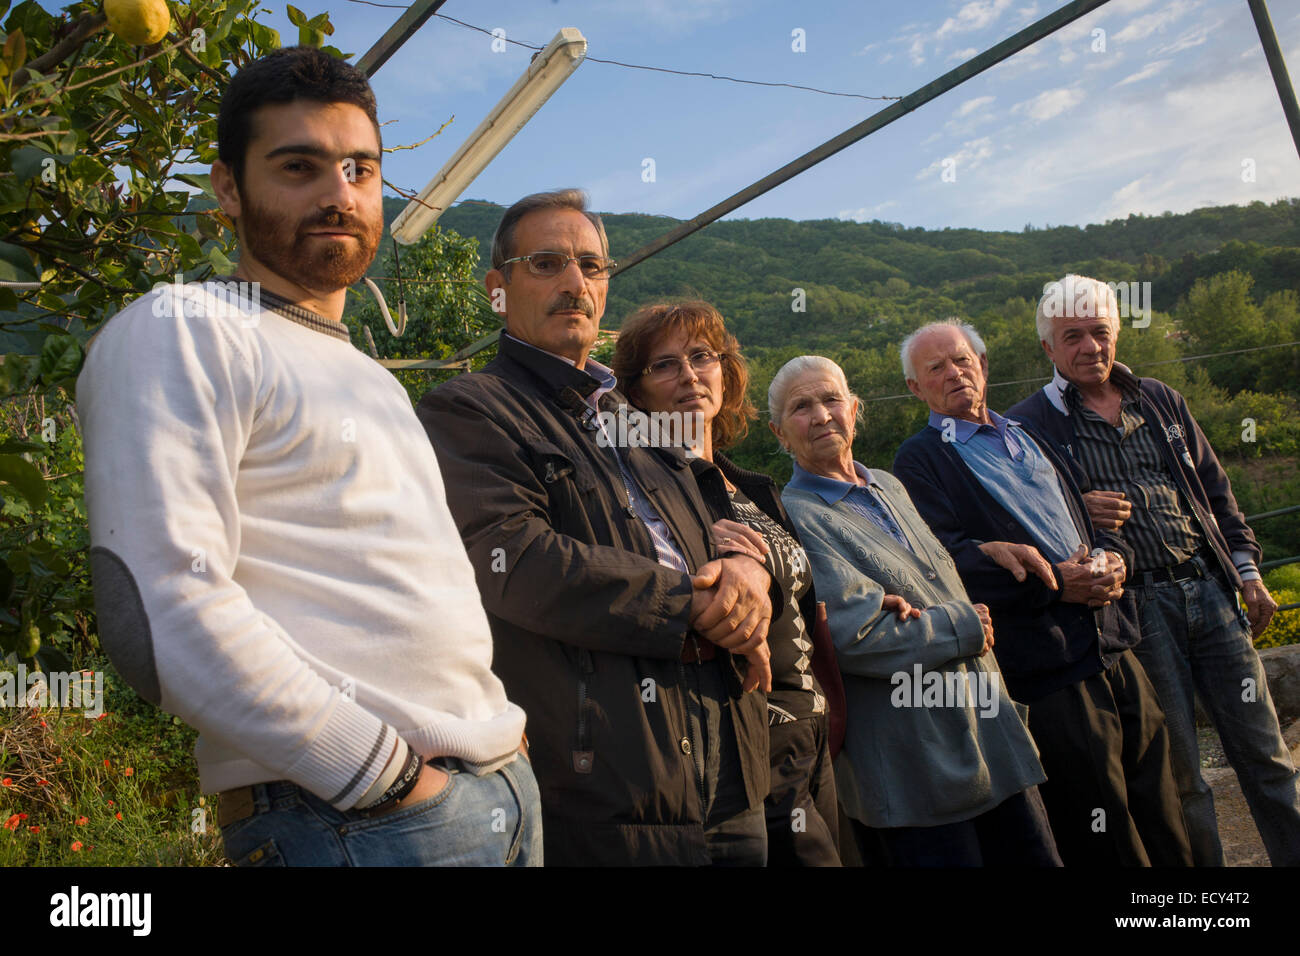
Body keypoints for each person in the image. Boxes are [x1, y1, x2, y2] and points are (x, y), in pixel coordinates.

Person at [76, 47, 539, 866]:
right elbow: (156, 608)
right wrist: (386, 777)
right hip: (354, 817)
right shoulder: (184, 328)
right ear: (228, 189)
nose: (339, 194)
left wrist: (496, 742)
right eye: (299, 167)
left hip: (495, 794)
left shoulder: (369, 376)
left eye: (362, 169)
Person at [416, 191, 775, 866]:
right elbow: (513, 558)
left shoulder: (638, 420)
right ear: (498, 290)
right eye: (546, 263)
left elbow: (714, 532)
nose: (574, 283)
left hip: (733, 765)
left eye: (590, 266)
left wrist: (747, 576)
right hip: (606, 780)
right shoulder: (468, 409)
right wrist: (688, 605)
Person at [1009, 275, 1300, 866]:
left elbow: (1215, 491)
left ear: (1116, 332)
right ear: (1048, 348)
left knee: (1267, 755)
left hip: (1210, 591)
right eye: (1072, 336)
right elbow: (1019, 520)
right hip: (1134, 612)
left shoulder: (1160, 398)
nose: (1090, 346)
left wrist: (1247, 573)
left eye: (1099, 331)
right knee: (1182, 775)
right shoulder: (1029, 424)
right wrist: (1075, 504)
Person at [893, 318, 1192, 866]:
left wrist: (1112, 558)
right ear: (916, 388)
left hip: (1116, 644)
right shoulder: (920, 459)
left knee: (1161, 802)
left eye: (962, 360)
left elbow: (1093, 512)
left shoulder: (1031, 433)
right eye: (935, 368)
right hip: (1048, 667)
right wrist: (1056, 586)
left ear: (984, 366)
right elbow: (948, 562)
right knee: (1102, 822)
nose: (954, 373)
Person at [770, 355, 1060, 867]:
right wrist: (964, 624)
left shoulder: (888, 484)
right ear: (779, 433)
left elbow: (929, 582)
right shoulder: (796, 516)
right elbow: (857, 635)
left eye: (832, 399)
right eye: (801, 407)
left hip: (989, 740)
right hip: (914, 769)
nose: (821, 416)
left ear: (854, 409)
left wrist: (982, 556)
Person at [612, 300, 851, 866]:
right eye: (665, 365)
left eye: (702, 357)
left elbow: (794, 591)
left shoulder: (752, 486)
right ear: (636, 392)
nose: (690, 375)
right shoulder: (649, 492)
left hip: (814, 730)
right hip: (750, 738)